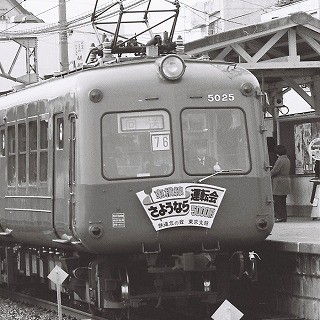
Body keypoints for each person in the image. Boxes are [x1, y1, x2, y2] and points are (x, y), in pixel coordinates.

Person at [271, 144, 291, 222]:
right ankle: (283, 216)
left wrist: (268, 174)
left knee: (277, 200)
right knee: (283, 201)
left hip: (278, 181)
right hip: (286, 181)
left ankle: (279, 216)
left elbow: (275, 171)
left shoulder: (280, 160)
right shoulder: (287, 159)